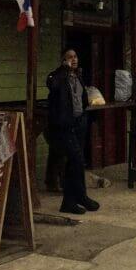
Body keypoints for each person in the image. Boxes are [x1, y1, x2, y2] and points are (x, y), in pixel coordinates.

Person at [46, 48, 100, 215]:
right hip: (64, 126)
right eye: (69, 57)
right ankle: (73, 199)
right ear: (63, 60)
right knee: (76, 160)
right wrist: (64, 69)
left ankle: (77, 198)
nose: (73, 59)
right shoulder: (57, 77)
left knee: (76, 161)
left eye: (75, 56)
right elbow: (52, 85)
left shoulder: (78, 76)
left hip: (78, 123)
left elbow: (80, 99)